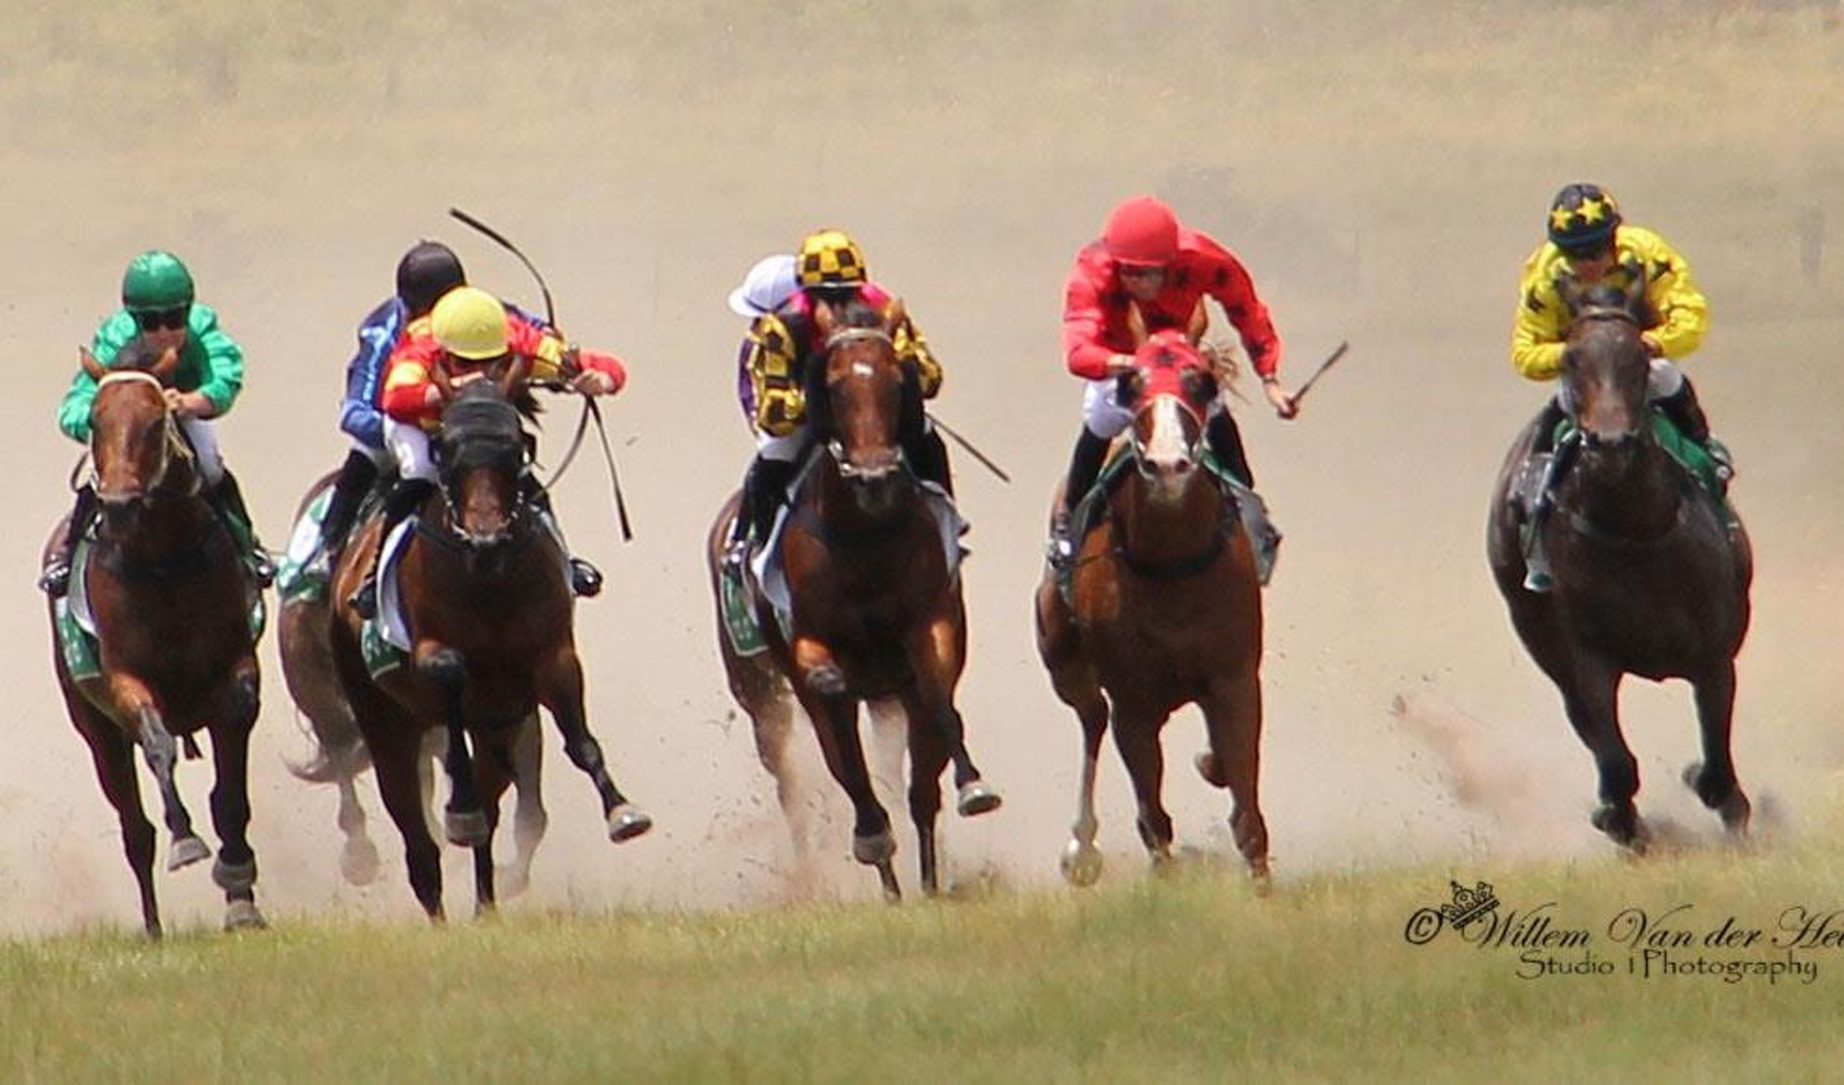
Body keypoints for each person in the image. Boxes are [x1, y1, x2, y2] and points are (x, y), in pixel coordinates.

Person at [1048, 195, 1297, 571]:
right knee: (1099, 417)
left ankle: (1250, 513)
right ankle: (1069, 523)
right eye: (1128, 272)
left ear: (1171, 263)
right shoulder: (1093, 270)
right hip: (1125, 365)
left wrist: (1270, 379)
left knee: (1216, 413)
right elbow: (1078, 349)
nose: (1137, 282)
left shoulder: (1203, 258)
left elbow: (1245, 308)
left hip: (1183, 361)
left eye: (1148, 273)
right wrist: (1128, 364)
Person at [347, 286, 626, 618]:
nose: (478, 367)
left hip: (483, 432)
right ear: (445, 351)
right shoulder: (421, 347)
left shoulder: (521, 339)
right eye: (464, 362)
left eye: (491, 360)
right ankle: (374, 573)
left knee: (523, 478)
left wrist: (601, 379)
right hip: (422, 425)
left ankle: (564, 561)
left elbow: (603, 364)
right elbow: (397, 399)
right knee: (420, 471)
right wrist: (448, 391)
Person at [1510, 182, 1724, 592]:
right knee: (1553, 423)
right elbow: (1524, 352)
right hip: (1585, 370)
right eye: (1575, 255)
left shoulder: (1649, 255)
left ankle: (1708, 458)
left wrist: (1649, 343)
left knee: (1666, 379)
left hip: (1642, 358)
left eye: (1594, 251)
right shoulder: (1543, 275)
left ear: (1613, 238)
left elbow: (1692, 317)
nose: (1586, 264)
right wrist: (1575, 355)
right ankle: (1538, 538)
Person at [41, 250, 275, 596]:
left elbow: (226, 375)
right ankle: (68, 552)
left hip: (183, 416)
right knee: (102, 474)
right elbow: (74, 403)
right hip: (127, 431)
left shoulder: (204, 328)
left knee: (210, 465)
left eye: (175, 318)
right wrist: (111, 424)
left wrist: (192, 402)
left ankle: (247, 546)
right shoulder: (115, 336)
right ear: (134, 319)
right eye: (151, 323)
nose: (165, 331)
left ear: (188, 310)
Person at [720, 229, 954, 570]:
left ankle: (946, 532)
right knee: (772, 456)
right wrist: (821, 399)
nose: (842, 306)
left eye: (849, 294)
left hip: (874, 411)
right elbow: (772, 413)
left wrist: (894, 376)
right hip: (810, 417)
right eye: (826, 296)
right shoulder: (781, 326)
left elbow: (931, 378)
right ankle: (753, 551)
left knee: (929, 440)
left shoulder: (887, 311)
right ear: (807, 293)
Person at [298, 240, 468, 584]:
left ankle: (562, 562)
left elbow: (533, 335)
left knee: (512, 465)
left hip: (464, 428)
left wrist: (569, 368)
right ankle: (326, 550)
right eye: (427, 314)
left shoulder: (478, 315)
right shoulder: (382, 332)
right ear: (407, 307)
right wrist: (404, 425)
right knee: (362, 463)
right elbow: (354, 413)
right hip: (395, 428)